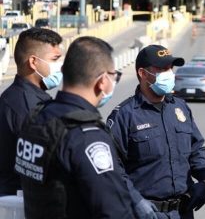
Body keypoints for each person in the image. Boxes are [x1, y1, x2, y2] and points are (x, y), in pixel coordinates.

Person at [15, 36, 135, 218]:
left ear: (64, 71)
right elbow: (116, 211)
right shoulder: (87, 136)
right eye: (114, 76)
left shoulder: (36, 117)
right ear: (102, 81)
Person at [107, 45, 205, 219]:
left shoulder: (180, 108)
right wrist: (137, 202)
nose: (169, 73)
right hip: (145, 213)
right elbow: (113, 168)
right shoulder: (124, 116)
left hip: (183, 212)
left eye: (170, 68)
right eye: (162, 69)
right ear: (143, 73)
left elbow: (196, 148)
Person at [0, 28, 62, 196]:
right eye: (55, 59)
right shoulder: (29, 107)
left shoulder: (12, 97)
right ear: (34, 62)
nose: (60, 67)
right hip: (22, 202)